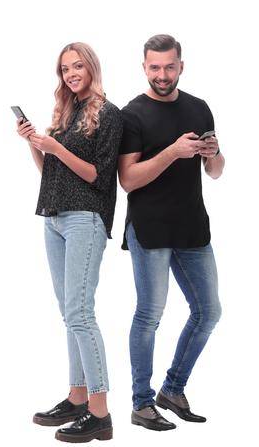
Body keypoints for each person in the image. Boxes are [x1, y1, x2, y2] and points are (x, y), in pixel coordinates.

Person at [15, 42, 122, 443]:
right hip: (54, 217)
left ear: (91, 67)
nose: (71, 73)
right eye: (64, 68)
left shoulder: (109, 114)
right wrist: (34, 143)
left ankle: (100, 413)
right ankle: (78, 398)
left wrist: (56, 145)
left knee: (80, 312)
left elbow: (99, 175)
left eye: (77, 66)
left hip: (85, 220)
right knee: (69, 314)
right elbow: (51, 172)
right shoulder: (66, 111)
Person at [119, 34, 224, 432]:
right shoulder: (132, 115)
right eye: (155, 67)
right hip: (150, 228)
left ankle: (172, 389)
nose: (162, 74)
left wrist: (213, 154)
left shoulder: (199, 108)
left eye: (169, 66)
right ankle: (141, 403)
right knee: (149, 315)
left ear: (181, 65)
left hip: (193, 227)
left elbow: (215, 172)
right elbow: (127, 180)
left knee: (209, 312)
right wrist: (171, 153)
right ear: (144, 67)